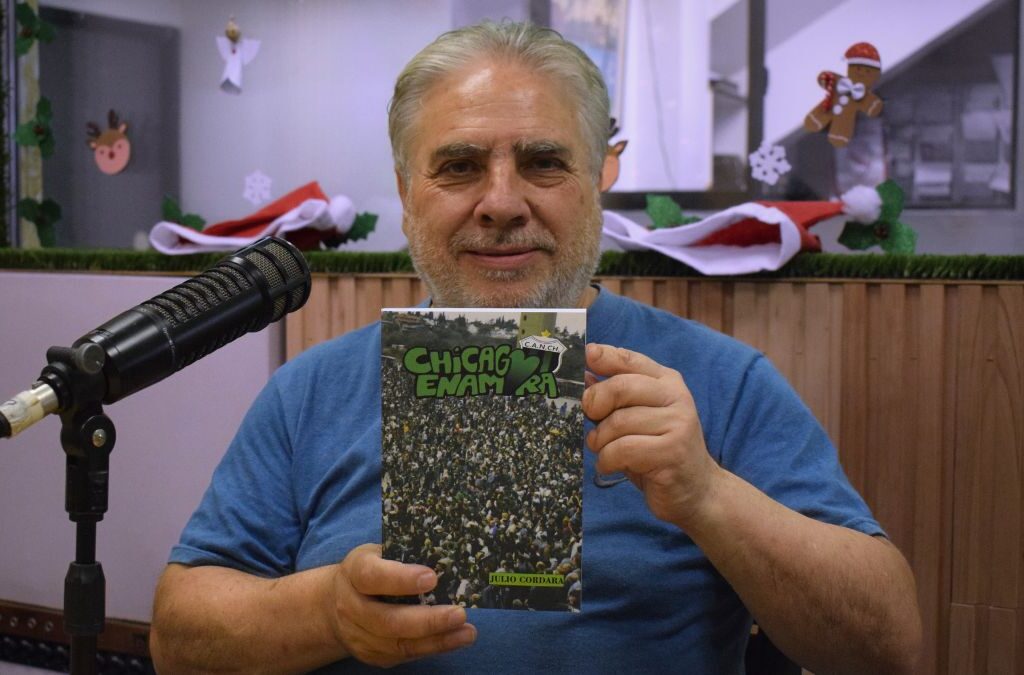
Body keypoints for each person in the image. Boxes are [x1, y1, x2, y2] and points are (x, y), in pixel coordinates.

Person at [150, 21, 922, 673]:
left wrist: (709, 495)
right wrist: (326, 611)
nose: (501, 202)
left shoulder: (721, 383)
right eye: (458, 167)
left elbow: (891, 645)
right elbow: (177, 637)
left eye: (543, 162)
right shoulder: (310, 391)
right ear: (406, 188)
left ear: (600, 175)